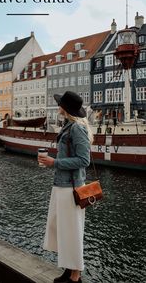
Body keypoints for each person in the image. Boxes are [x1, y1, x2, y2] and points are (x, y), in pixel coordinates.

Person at [38, 91, 93, 283]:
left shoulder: (77, 128)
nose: (58, 106)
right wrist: (54, 162)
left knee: (73, 232)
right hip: (61, 185)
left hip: (71, 188)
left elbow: (84, 160)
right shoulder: (69, 126)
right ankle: (69, 270)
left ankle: (76, 276)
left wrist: (55, 163)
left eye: (60, 104)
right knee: (64, 230)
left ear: (66, 109)